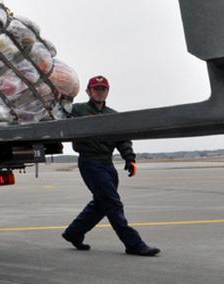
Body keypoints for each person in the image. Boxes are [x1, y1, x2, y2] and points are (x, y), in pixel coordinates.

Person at [61, 75, 160, 257]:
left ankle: (73, 233)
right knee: (113, 204)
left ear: (107, 91)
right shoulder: (77, 110)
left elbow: (122, 139)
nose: (100, 92)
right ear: (88, 91)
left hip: (108, 164)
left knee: (101, 204)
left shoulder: (112, 115)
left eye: (103, 89)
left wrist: (129, 158)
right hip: (90, 163)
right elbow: (59, 111)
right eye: (96, 88)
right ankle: (133, 244)